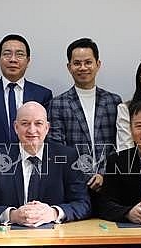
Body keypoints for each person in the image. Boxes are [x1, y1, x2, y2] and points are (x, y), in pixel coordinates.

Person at [0, 101, 90, 226]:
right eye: (25, 124)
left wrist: (53, 213)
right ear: (16, 127)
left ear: (47, 128)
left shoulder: (67, 156)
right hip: (8, 239)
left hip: (56, 239)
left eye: (38, 123)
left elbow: (82, 203)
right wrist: (12, 215)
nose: (32, 130)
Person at [47, 37, 121, 192]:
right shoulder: (58, 104)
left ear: (98, 64)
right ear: (69, 67)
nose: (83, 68)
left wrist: (103, 174)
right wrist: (83, 175)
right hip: (74, 184)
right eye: (77, 63)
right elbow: (58, 148)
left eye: (88, 62)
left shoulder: (113, 101)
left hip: (110, 181)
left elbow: (118, 144)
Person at [0, 34, 52, 163]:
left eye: (19, 54)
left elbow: (47, 134)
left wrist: (28, 156)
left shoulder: (42, 95)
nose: (13, 59)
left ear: (28, 61)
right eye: (7, 54)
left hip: (32, 165)